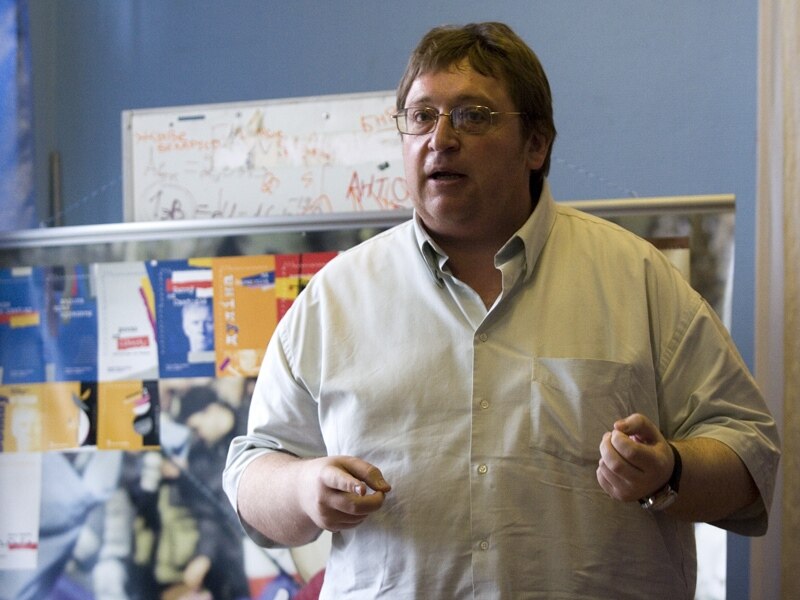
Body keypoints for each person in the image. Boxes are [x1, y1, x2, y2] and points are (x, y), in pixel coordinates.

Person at [223, 22, 781, 599]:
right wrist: (303, 487)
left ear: (536, 145)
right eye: (421, 116)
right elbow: (251, 472)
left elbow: (751, 454)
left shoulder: (637, 278)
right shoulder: (334, 297)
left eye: (473, 116)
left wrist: (670, 471)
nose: (440, 138)